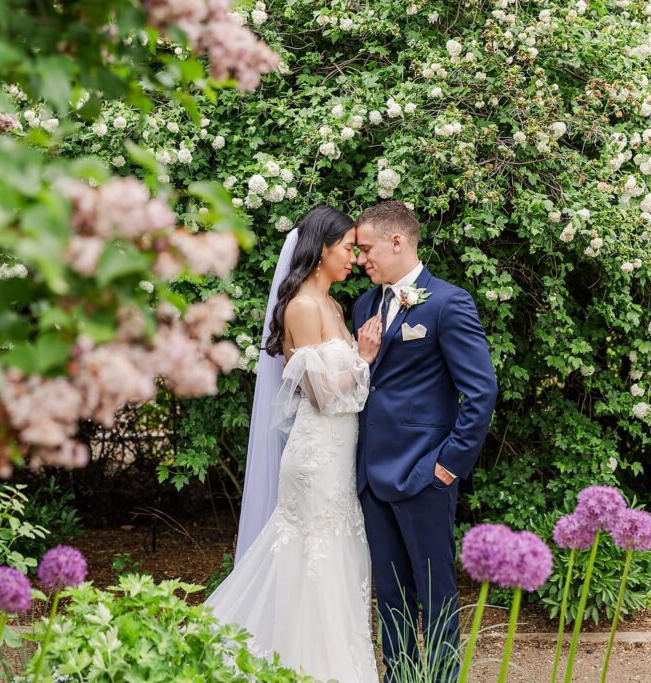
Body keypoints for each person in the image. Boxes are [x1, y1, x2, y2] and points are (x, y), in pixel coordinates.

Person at [205, 205, 383, 683]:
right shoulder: (303, 306)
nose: (354, 257)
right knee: (312, 559)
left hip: (339, 456)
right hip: (315, 456)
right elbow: (322, 394)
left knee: (336, 556)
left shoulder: (334, 306)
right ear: (322, 249)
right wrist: (363, 359)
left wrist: (358, 363)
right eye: (347, 247)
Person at [352, 200, 498, 683]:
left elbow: (480, 391)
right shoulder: (363, 305)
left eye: (367, 248)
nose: (361, 259)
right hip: (373, 476)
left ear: (398, 241)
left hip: (424, 474)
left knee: (435, 594)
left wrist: (448, 465)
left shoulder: (447, 302)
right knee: (390, 597)